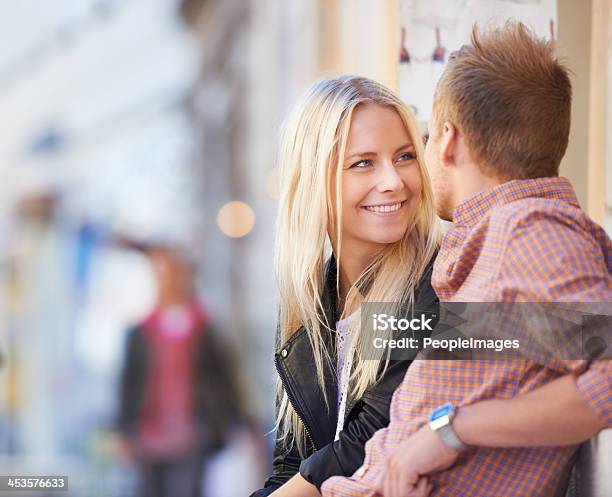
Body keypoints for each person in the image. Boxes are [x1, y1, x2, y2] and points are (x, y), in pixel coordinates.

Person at [322, 22, 611, 497]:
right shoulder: (501, 239)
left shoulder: (533, 232)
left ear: (449, 140)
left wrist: (451, 430)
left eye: (427, 137)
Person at [250, 76, 441, 496]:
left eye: (405, 156)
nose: (393, 181)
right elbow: (292, 462)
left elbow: (372, 438)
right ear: (315, 179)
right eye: (363, 163)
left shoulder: (436, 279)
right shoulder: (310, 299)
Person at [117, 244, 246, 497]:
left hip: (193, 433)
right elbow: (128, 383)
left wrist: (235, 419)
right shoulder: (141, 331)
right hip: (150, 433)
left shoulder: (204, 328)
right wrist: (123, 431)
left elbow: (225, 376)